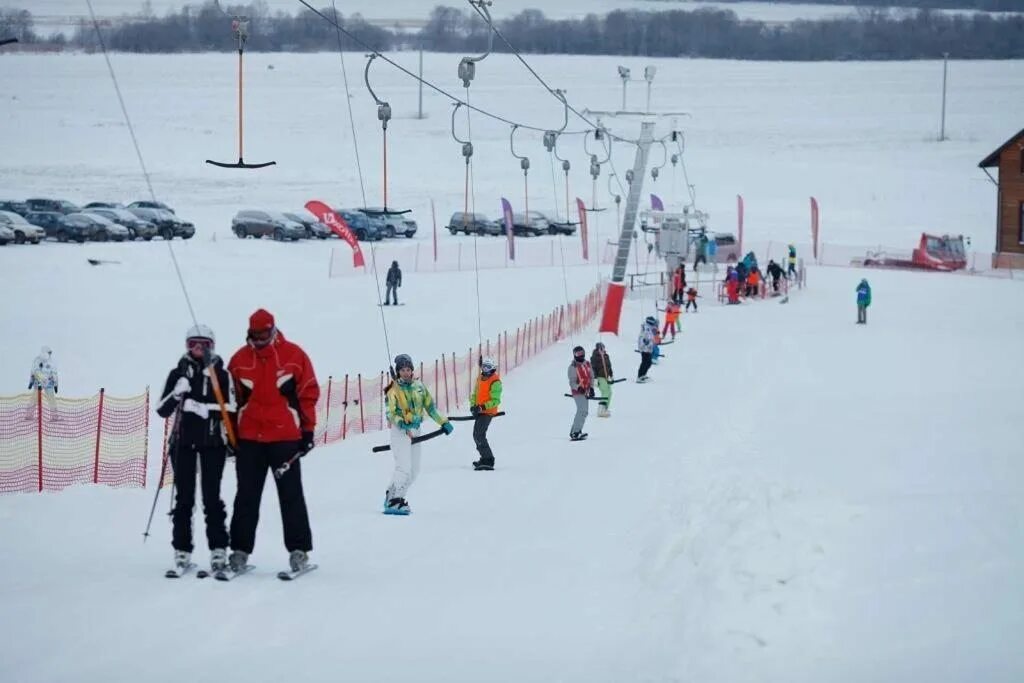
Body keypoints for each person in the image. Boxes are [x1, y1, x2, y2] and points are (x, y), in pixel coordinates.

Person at [227, 309, 320, 574]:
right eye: (255, 335)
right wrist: (229, 435)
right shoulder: (240, 360)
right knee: (246, 497)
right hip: (249, 440)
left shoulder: (293, 355)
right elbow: (229, 401)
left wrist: (308, 431)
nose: (260, 340)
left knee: (291, 497)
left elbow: (308, 393)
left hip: (285, 439)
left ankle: (299, 552)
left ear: (273, 330)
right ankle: (239, 552)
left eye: (264, 334)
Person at [155, 324, 234, 573]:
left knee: (211, 498)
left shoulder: (221, 374)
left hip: (212, 443)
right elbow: (161, 409)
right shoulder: (177, 373)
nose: (198, 349)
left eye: (204, 344)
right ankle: (182, 549)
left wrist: (202, 408)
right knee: (184, 499)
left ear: (212, 346)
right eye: (193, 344)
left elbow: (231, 408)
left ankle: (218, 549)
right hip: (183, 443)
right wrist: (178, 395)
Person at [384, 353, 453, 513]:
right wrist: (402, 424)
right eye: (402, 370)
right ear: (398, 371)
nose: (406, 373)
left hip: (416, 429)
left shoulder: (419, 387)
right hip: (400, 431)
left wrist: (443, 422)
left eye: (408, 369)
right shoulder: (392, 390)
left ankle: (396, 496)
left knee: (414, 471)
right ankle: (393, 501)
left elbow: (430, 407)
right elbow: (391, 413)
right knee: (403, 467)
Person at [469, 357, 501, 471]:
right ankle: (484, 457)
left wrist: (482, 407)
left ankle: (489, 460)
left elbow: (496, 400)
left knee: (479, 435)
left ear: (492, 368)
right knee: (476, 434)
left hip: (487, 412)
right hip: (480, 411)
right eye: (483, 367)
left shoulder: (495, 381)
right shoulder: (480, 379)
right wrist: (473, 406)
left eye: (487, 367)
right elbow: (475, 394)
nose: (485, 369)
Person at [25, 346, 59, 421]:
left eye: (50, 353)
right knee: (34, 398)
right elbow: (34, 371)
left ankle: (54, 416)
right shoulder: (37, 360)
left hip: (49, 384)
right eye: (48, 352)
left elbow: (54, 373)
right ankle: (29, 415)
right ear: (44, 352)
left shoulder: (51, 362)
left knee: (52, 399)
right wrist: (31, 381)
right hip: (38, 384)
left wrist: (56, 384)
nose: (50, 354)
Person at [567, 346, 594, 440]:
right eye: (578, 354)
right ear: (574, 355)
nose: (580, 355)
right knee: (582, 411)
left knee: (584, 412)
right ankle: (575, 432)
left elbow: (591, 377)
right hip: (578, 392)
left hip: (586, 391)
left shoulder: (587, 364)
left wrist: (591, 388)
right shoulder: (572, 367)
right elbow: (572, 382)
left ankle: (576, 430)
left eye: (581, 353)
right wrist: (578, 388)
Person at [590, 342, 614, 418]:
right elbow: (593, 368)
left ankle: (605, 408)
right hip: (600, 377)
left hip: (606, 377)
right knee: (605, 391)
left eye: (603, 347)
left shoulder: (606, 356)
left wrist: (611, 375)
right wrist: (595, 378)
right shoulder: (595, 357)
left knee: (610, 392)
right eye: (601, 348)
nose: (602, 349)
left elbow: (609, 367)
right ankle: (600, 410)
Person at [636, 316, 656, 382]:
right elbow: (643, 337)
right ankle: (640, 376)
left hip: (648, 348)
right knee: (645, 362)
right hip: (645, 348)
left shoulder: (649, 328)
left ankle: (643, 375)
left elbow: (651, 335)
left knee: (648, 362)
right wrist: (645, 342)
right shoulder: (646, 328)